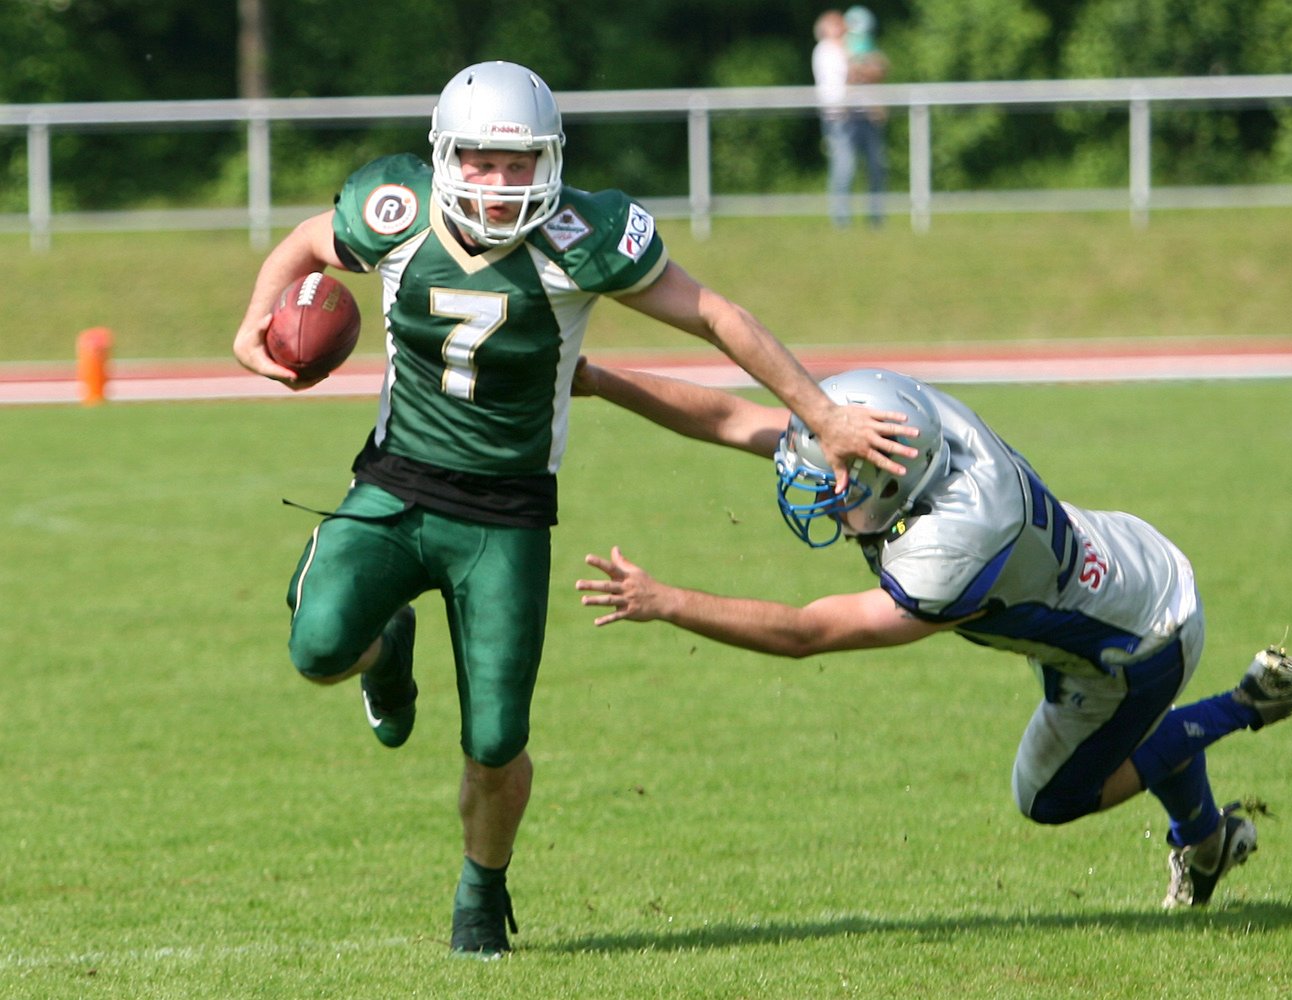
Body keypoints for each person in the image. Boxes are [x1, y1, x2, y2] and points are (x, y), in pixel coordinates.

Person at [231, 61, 912, 958]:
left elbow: (717, 315)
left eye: (518, 164)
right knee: (318, 646)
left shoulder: (582, 239)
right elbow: (307, 242)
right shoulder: (395, 208)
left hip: (506, 518)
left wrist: (821, 413)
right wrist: (254, 321)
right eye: (480, 162)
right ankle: (385, 650)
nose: (498, 183)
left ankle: (481, 893)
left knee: (495, 740)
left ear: (549, 161)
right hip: (396, 484)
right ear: (446, 158)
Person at [573, 363, 1292, 908]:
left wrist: (667, 601)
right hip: (1129, 561)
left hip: (1137, 642)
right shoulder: (912, 432)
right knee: (1132, 735)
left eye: (835, 488)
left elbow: (808, 632)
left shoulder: (949, 555)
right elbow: (733, 418)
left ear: (890, 484)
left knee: (1049, 797)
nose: (820, 495)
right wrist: (599, 379)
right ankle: (1208, 845)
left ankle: (1248, 703)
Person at [842, 5, 889, 226]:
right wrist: (862, 67)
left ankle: (876, 217)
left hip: (870, 116)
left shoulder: (869, 45)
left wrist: (864, 68)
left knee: (876, 168)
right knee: (846, 169)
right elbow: (852, 73)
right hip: (848, 116)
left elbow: (881, 68)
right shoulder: (839, 47)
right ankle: (842, 220)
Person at [811, 9, 856, 227]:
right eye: (836, 25)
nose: (842, 28)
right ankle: (840, 216)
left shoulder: (833, 49)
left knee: (842, 163)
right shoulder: (827, 49)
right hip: (835, 113)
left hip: (842, 113)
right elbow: (845, 76)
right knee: (843, 164)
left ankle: (841, 215)